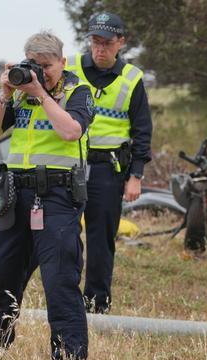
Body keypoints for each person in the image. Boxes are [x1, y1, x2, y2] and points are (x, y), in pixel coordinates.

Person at [0, 31, 94, 360]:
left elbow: (71, 131)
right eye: (35, 65)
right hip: (15, 196)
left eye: (48, 65)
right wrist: (4, 93)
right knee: (1, 275)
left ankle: (69, 356)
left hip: (57, 197)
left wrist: (42, 94)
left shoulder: (76, 91)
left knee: (59, 281)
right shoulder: (18, 93)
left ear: (63, 62)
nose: (41, 71)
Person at [65, 12, 153, 314]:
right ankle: (66, 297)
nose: (100, 48)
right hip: (68, 163)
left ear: (121, 43)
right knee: (63, 233)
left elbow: (142, 130)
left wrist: (136, 175)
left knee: (101, 239)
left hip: (108, 169)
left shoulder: (132, 79)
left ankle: (96, 303)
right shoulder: (70, 67)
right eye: (95, 41)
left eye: (107, 43)